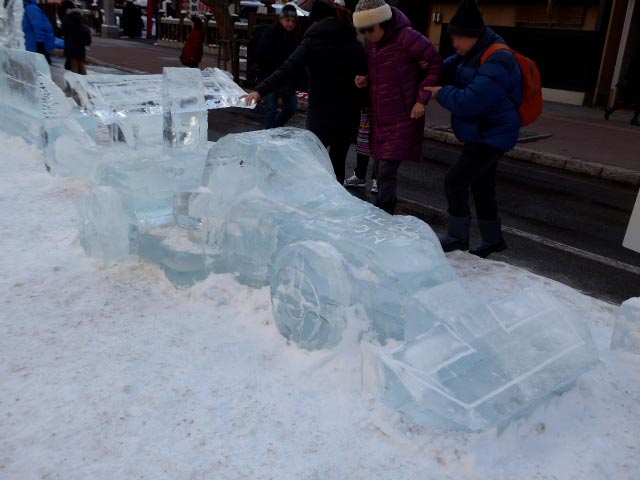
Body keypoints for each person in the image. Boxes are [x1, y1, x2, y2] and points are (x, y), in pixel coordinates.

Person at [424, 0, 522, 258]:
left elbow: (472, 101)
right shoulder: (474, 50)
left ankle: (458, 237)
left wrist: (441, 92)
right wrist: (428, 69)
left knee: (455, 181)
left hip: (493, 133)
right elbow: (449, 66)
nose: (455, 45)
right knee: (481, 186)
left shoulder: (497, 57)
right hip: (484, 130)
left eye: (458, 39)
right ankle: (493, 240)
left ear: (473, 36)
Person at [244, 0, 367, 184]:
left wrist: (260, 90)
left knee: (311, 160)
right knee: (337, 163)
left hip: (321, 112)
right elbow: (365, 77)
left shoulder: (312, 41)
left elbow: (287, 69)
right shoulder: (354, 43)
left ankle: (310, 202)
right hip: (348, 114)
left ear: (317, 21)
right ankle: (335, 202)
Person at [353, 0, 442, 215]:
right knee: (379, 165)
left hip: (405, 114)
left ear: (382, 22)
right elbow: (385, 73)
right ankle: (384, 210)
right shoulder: (373, 44)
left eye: (369, 29)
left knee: (385, 169)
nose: (366, 35)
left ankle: (384, 212)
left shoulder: (408, 37)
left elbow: (436, 64)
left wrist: (421, 100)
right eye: (362, 30)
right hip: (381, 115)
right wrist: (366, 80)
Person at [256, 4, 299, 129]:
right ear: (281, 19)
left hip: (286, 79)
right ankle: (269, 135)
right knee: (271, 109)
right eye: (287, 20)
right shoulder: (270, 32)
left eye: (293, 21)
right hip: (270, 76)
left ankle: (272, 130)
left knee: (291, 107)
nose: (290, 24)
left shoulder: (294, 37)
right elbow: (260, 54)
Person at [605, 48, 640, 126]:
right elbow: (633, 73)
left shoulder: (635, 59)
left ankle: (610, 110)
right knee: (630, 102)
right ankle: (634, 119)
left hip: (633, 83)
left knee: (629, 102)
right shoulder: (636, 61)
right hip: (633, 84)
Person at [23, 0, 57, 64]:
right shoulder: (30, 8)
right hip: (35, 45)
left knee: (41, 67)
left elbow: (38, 26)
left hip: (35, 45)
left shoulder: (31, 8)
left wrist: (40, 43)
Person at [61, 6, 92, 75]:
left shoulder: (68, 22)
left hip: (71, 47)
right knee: (81, 65)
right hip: (80, 49)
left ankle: (77, 83)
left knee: (74, 65)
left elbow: (62, 31)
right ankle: (84, 81)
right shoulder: (82, 24)